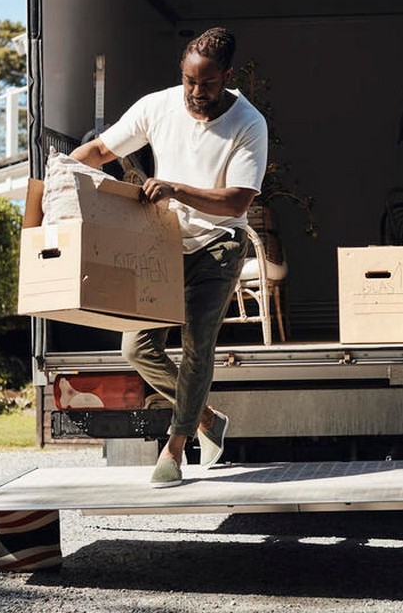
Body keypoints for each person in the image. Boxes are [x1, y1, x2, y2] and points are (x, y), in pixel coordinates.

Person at [70, 27, 268, 487]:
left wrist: (175, 188)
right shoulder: (157, 106)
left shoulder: (249, 123)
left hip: (219, 243)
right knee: (136, 347)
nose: (196, 92)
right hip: (164, 241)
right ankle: (205, 418)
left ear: (227, 77)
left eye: (208, 83)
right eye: (189, 81)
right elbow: (100, 150)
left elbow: (237, 201)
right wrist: (59, 176)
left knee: (198, 347)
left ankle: (175, 449)